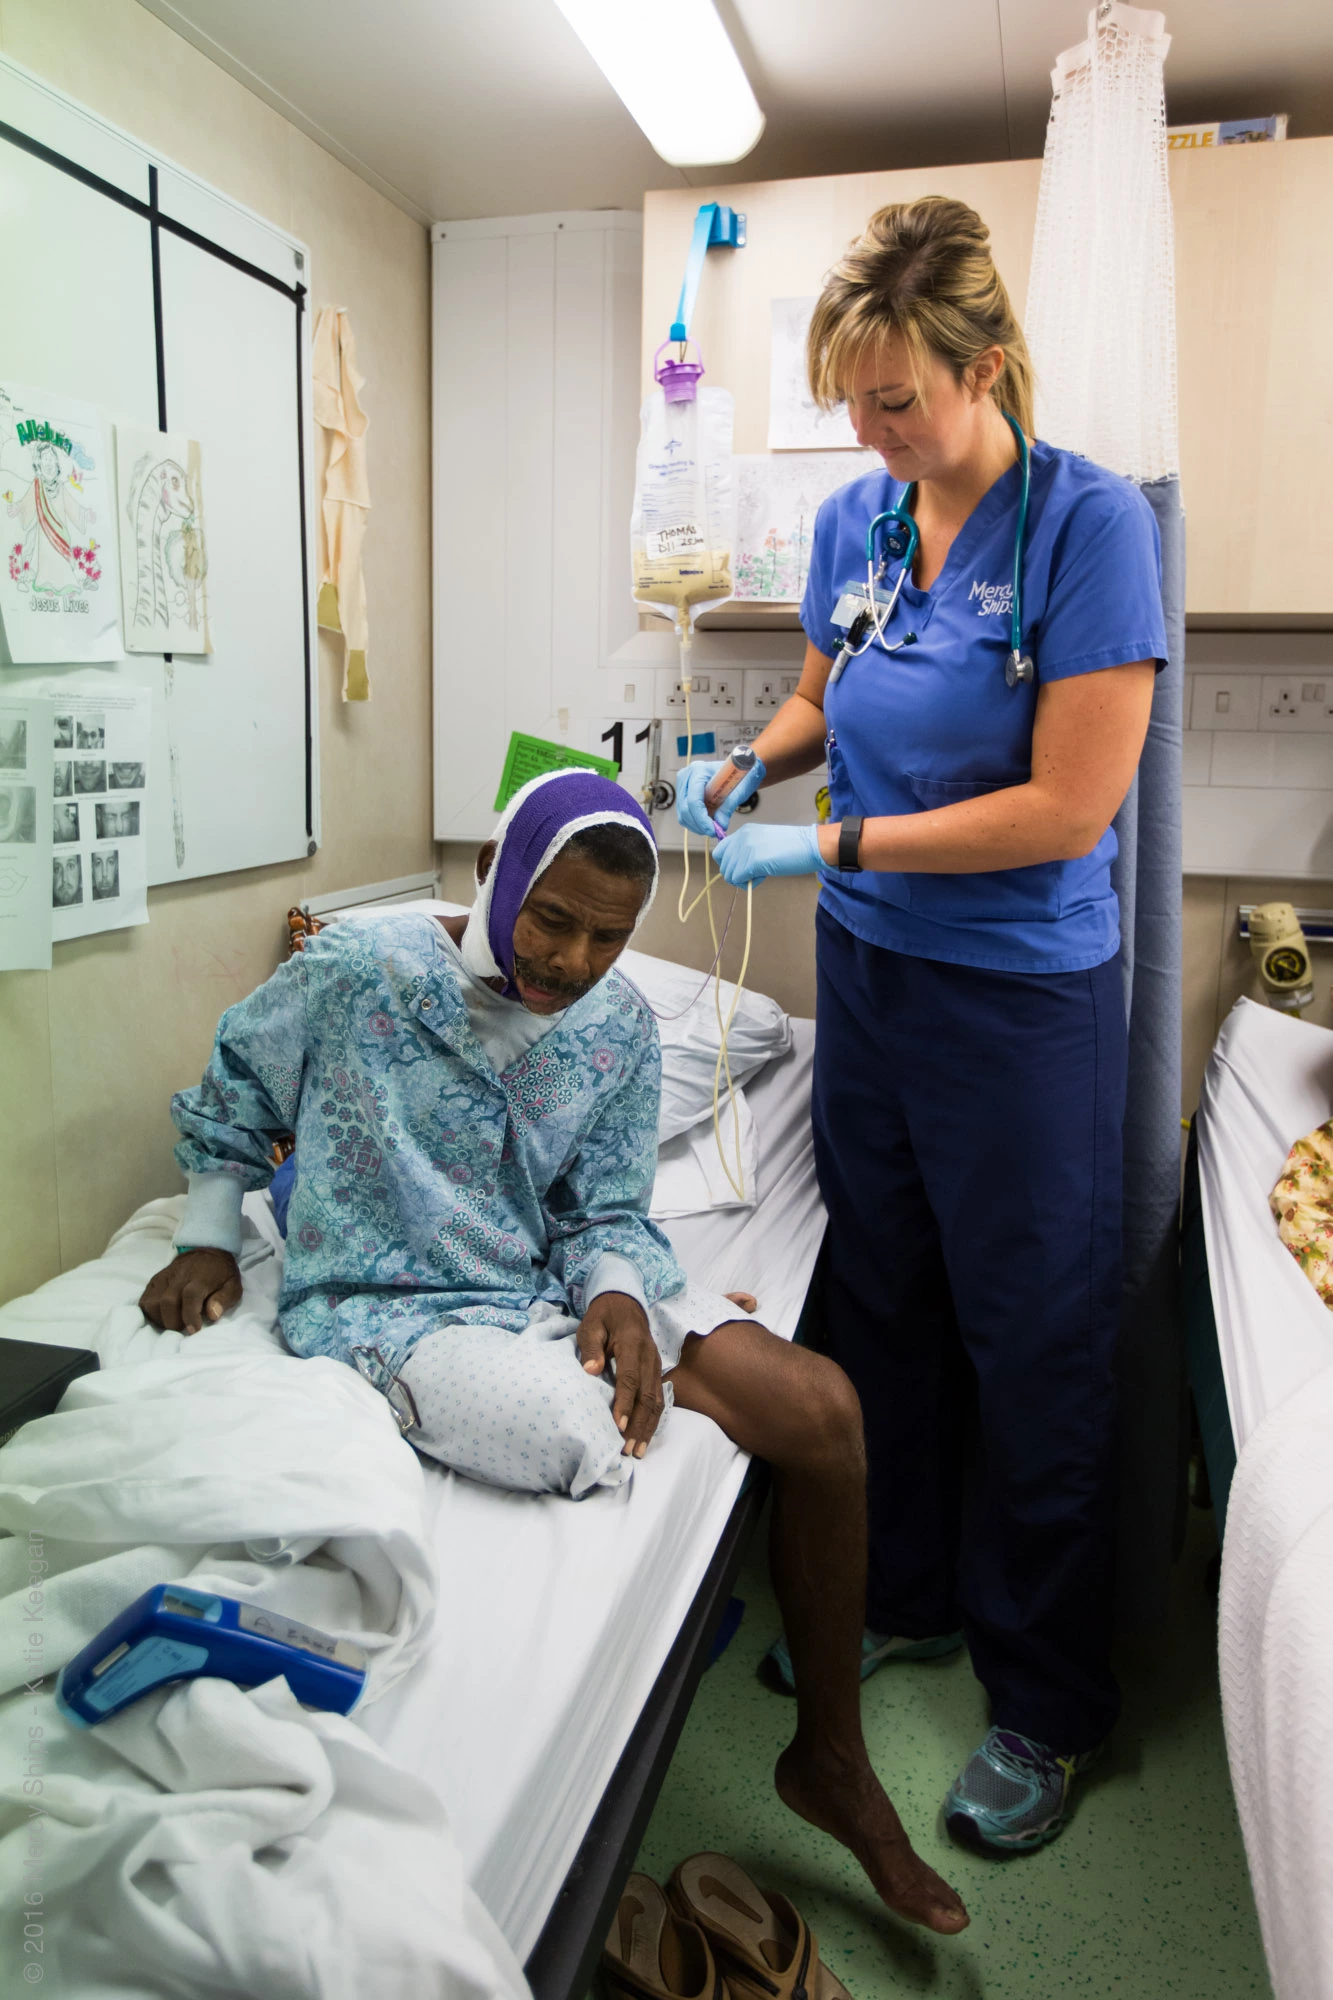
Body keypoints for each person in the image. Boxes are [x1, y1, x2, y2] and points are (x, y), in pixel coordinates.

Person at [139, 769, 970, 1937]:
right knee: (574, 1430)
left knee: (823, 1407)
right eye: (552, 917)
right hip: (390, 1302)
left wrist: (622, 1293)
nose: (572, 960)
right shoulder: (358, 971)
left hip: (540, 1286)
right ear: (496, 874)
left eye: (608, 936)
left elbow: (606, 1208)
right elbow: (233, 1090)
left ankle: (831, 1757)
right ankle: (600, 1382)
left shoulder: (616, 1029)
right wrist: (212, 1232)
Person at [678, 197, 1167, 1855]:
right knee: (874, 1298)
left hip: (1021, 999)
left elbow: (1063, 807)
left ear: (989, 366)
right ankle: (894, 1594)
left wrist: (818, 843)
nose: (871, 435)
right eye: (852, 404)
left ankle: (1043, 1699)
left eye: (898, 401)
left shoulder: (1085, 530)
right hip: (870, 980)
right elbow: (831, 688)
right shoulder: (859, 523)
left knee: (1029, 1334)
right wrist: (757, 761)